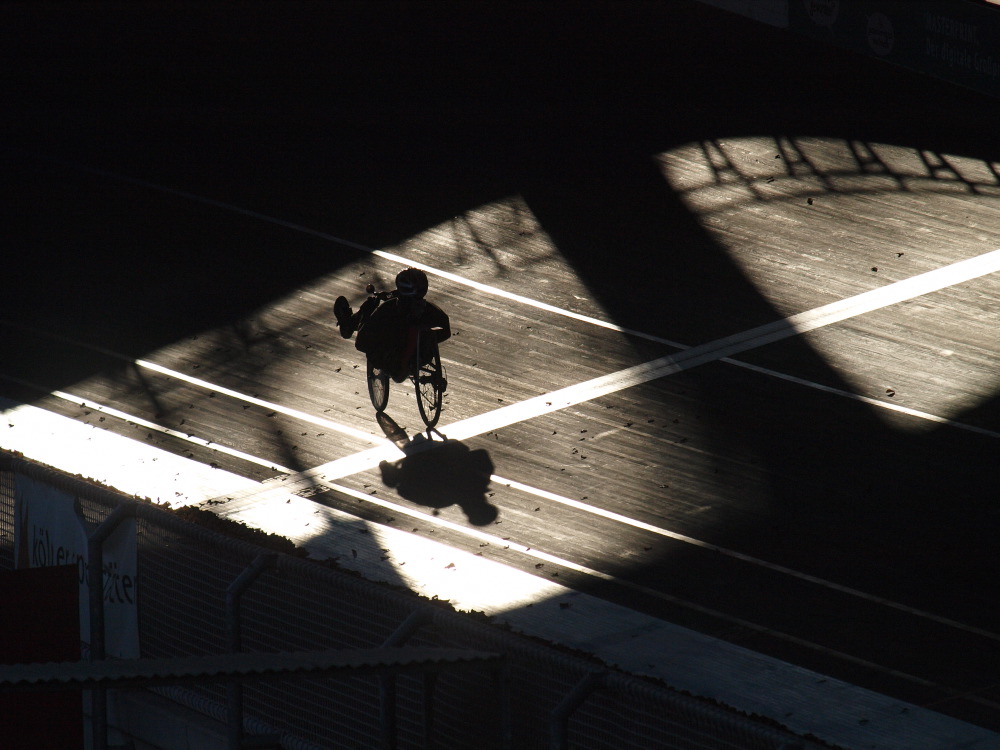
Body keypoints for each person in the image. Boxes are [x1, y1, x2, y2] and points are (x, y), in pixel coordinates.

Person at [334, 268, 450, 383]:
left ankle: (349, 322)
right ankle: (351, 323)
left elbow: (362, 343)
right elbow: (446, 331)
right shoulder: (430, 310)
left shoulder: (387, 309)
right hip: (407, 354)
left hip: (394, 354)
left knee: (371, 309)